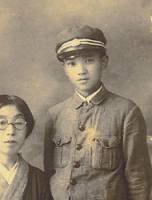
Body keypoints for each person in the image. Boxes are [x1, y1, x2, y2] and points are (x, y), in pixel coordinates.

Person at [44, 25, 152, 200]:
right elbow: (49, 175)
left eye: (89, 60)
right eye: (72, 63)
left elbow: (138, 178)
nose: (81, 71)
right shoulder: (55, 114)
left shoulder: (127, 112)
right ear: (65, 68)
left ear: (104, 62)